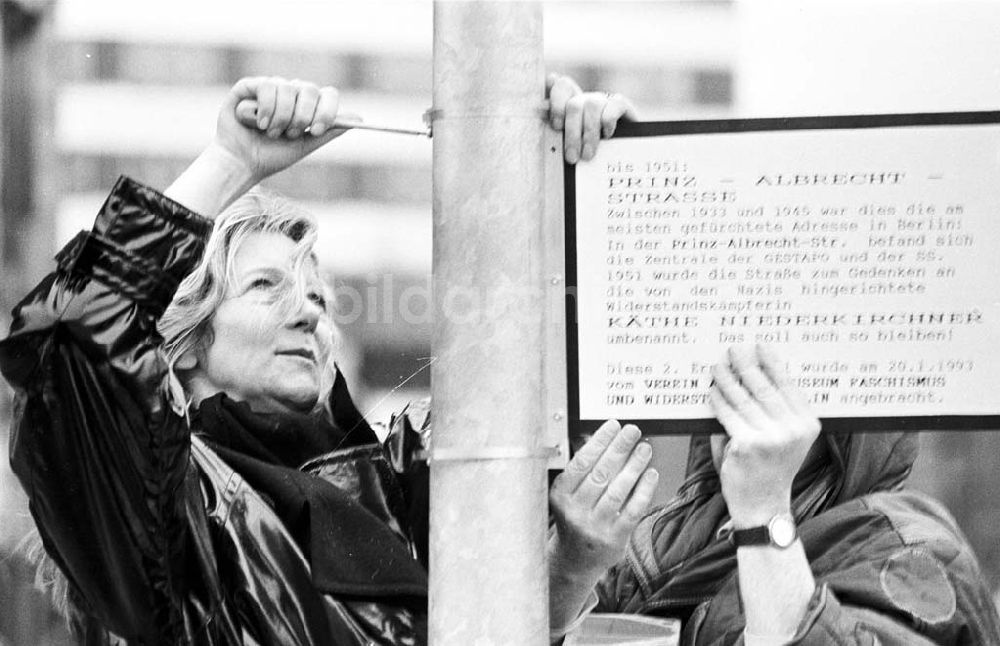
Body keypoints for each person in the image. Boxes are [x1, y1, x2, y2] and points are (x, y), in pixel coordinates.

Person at [0, 75, 655, 645]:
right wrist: (233, 160)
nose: (311, 310)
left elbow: (566, 400)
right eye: (265, 286)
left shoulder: (411, 484)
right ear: (184, 339)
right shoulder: (168, 511)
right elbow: (67, 342)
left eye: (316, 294)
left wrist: (582, 179)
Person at [552, 345, 1000, 644]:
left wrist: (764, 515)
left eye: (775, 389)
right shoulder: (660, 541)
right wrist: (571, 567)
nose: (745, 402)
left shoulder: (911, 552)